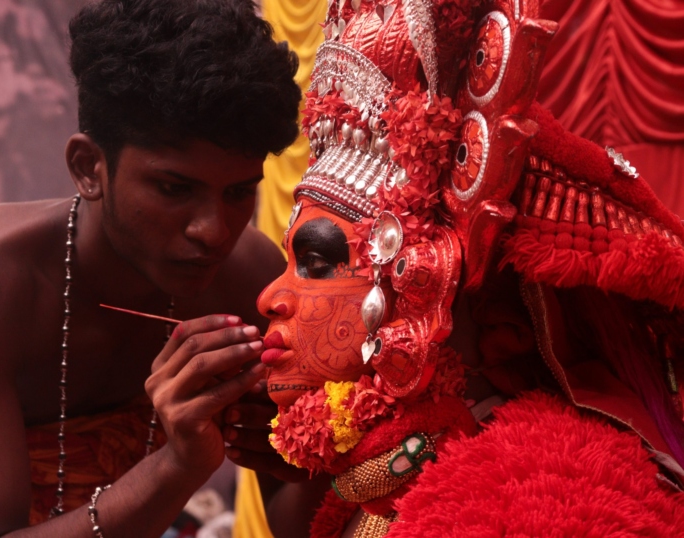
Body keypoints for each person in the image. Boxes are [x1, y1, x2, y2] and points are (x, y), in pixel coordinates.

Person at [250, 0, 684, 536]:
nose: (269, 298)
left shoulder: (542, 500)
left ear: (424, 280)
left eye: (316, 262)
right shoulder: (384, 485)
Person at [0, 0, 302, 535]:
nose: (213, 231)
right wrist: (176, 467)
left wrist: (312, 453)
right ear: (88, 168)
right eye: (174, 189)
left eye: (238, 193)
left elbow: (300, 522)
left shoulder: (250, 281)